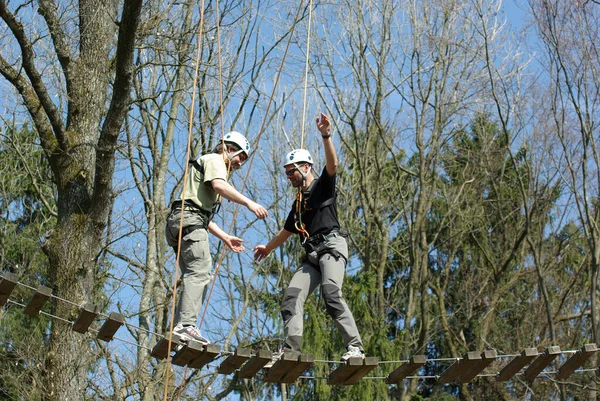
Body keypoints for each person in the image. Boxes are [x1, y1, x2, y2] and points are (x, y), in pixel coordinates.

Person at [253, 113, 365, 363]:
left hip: (332, 246)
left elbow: (333, 164)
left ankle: (355, 347)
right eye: (286, 173)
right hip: (313, 255)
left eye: (292, 171)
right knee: (291, 298)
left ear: (306, 167)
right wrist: (268, 248)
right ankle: (291, 351)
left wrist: (326, 134)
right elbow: (287, 230)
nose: (289, 177)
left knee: (331, 292)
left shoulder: (322, 186)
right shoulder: (299, 202)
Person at [166, 131, 268, 344]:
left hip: (183, 222)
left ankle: (179, 329)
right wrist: (250, 203)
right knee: (201, 271)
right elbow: (219, 186)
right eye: (240, 157)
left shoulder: (211, 166)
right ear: (229, 149)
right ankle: (185, 326)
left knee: (195, 275)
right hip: (188, 221)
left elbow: (201, 214)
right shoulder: (215, 160)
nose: (240, 163)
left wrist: (224, 237)